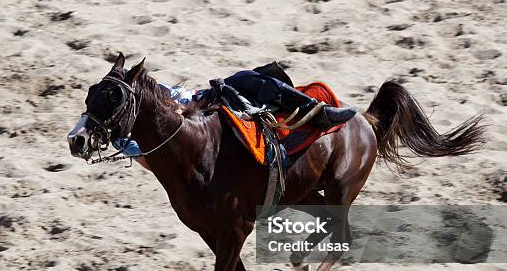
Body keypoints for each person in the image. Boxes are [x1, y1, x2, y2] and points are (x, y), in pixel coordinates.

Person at [113, 67, 357, 167]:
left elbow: (174, 94)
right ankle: (317, 112)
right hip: (198, 126)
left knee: (249, 77)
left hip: (204, 100)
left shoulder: (142, 100)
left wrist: (181, 103)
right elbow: (152, 160)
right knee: (247, 80)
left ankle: (316, 110)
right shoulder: (130, 141)